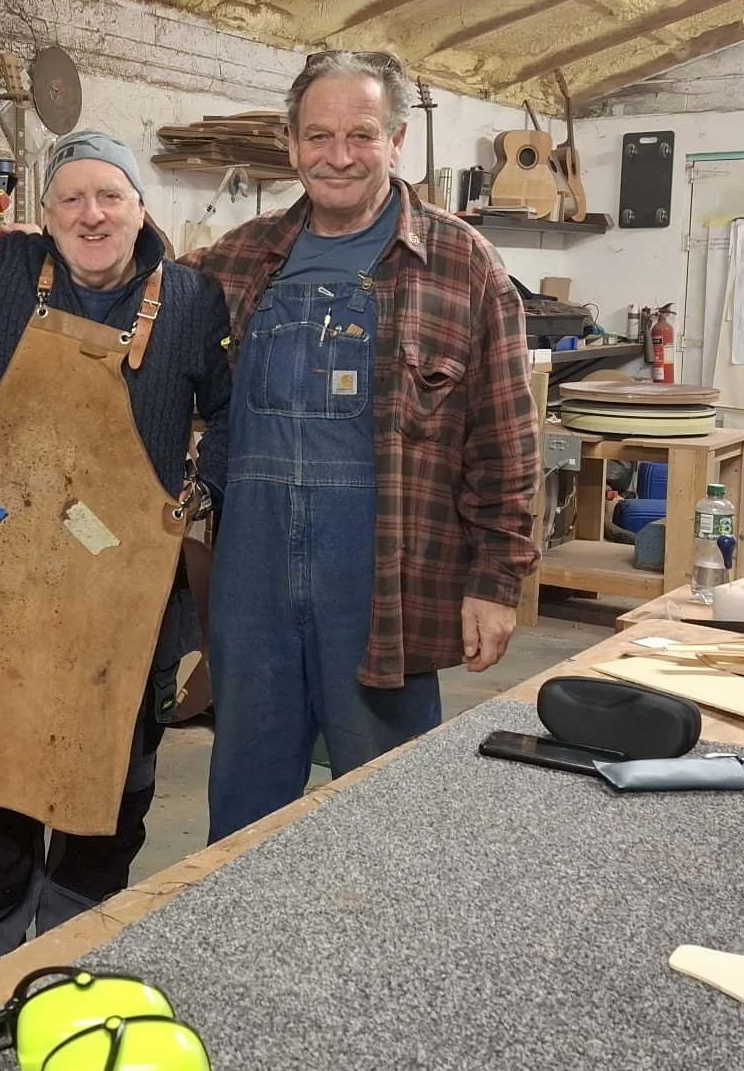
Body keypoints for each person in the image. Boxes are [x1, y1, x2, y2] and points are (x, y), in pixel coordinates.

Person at [188, 48, 539, 843]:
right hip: (253, 581)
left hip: (384, 580)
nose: (338, 156)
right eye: (318, 136)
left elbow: (507, 439)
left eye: (361, 135)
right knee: (246, 804)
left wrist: (495, 579)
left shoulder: (460, 262)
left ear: (398, 141)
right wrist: (37, 246)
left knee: (389, 811)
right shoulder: (237, 259)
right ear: (290, 143)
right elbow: (130, 300)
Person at [0, 127, 232, 975]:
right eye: (71, 197)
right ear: (43, 212)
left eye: (111, 196)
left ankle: (71, 960)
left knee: (114, 789)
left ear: (142, 207)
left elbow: (230, 412)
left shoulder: (189, 300)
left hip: (125, 594)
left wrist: (197, 494)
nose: (92, 214)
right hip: (7, 586)